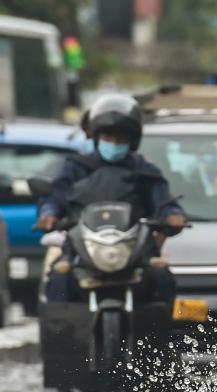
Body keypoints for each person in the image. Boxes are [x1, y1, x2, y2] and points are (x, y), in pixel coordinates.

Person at [37, 94, 186, 304]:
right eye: (108, 137)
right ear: (97, 137)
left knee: (160, 277)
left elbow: (163, 201)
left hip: (136, 252)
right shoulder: (76, 167)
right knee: (60, 278)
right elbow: (55, 197)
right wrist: (49, 215)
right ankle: (62, 334)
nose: (114, 143)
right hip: (82, 249)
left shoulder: (144, 171)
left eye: (121, 138)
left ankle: (157, 335)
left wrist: (173, 216)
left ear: (132, 141)